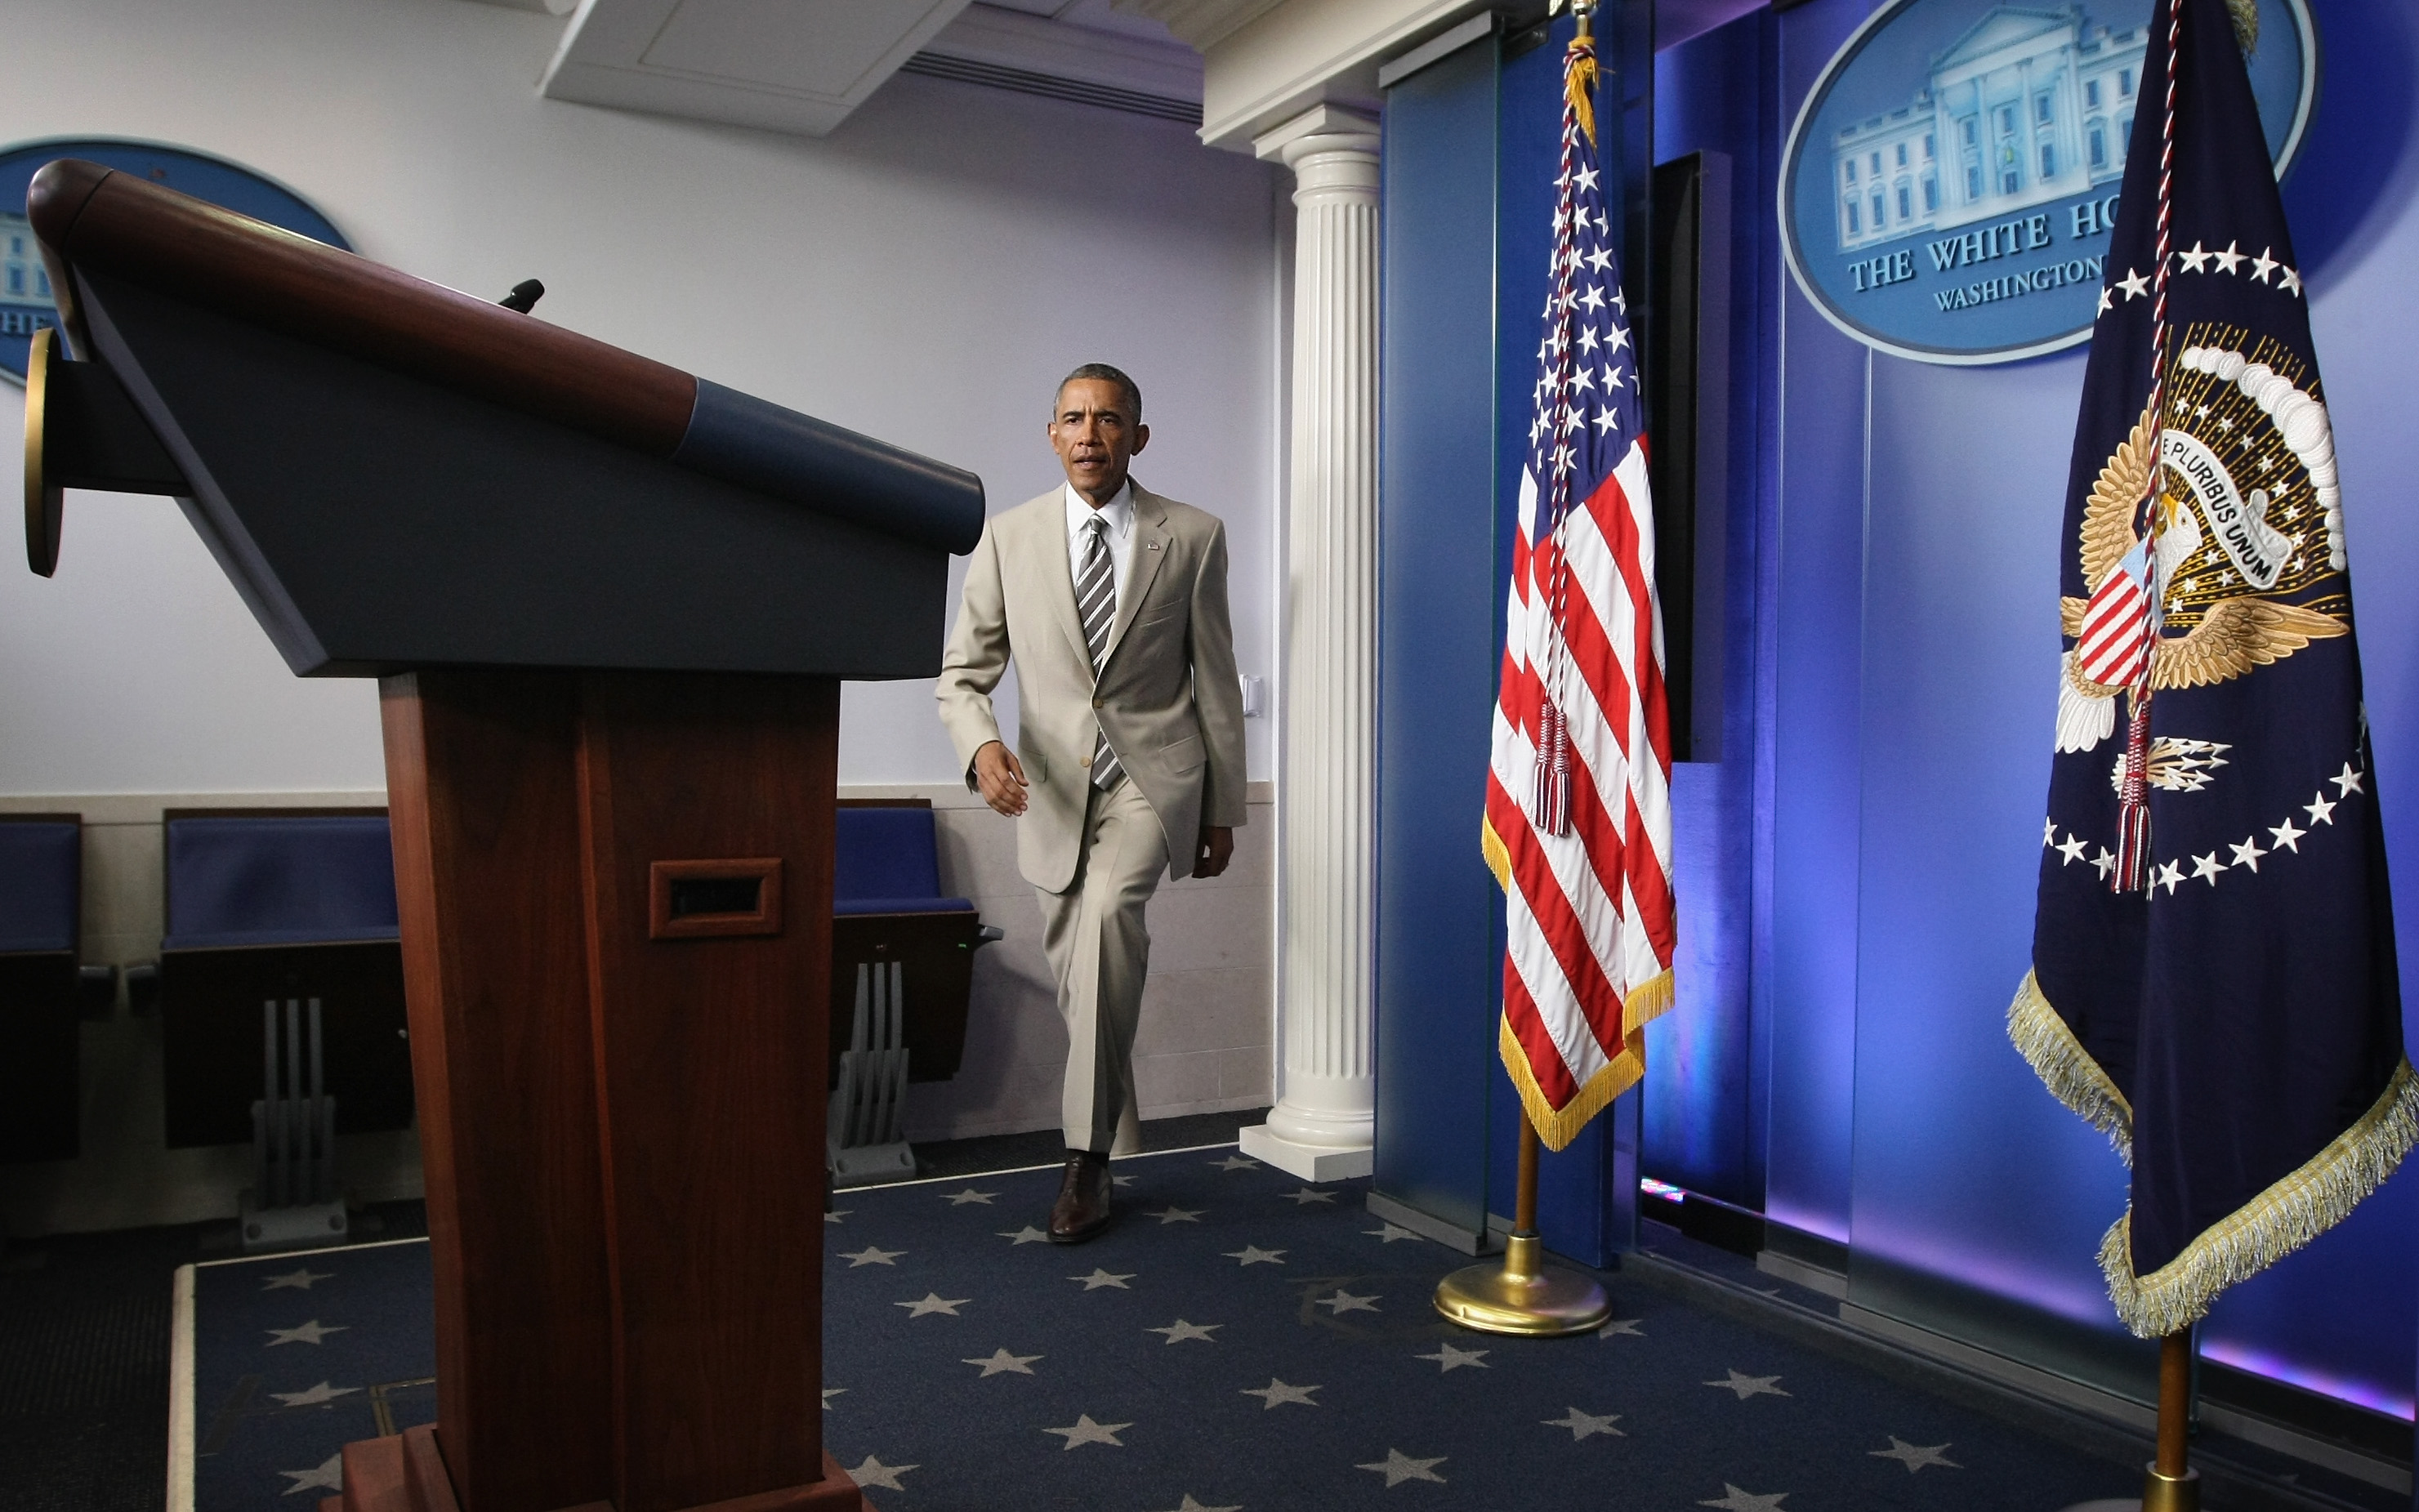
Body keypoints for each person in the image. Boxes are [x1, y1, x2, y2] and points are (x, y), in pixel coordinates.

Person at [936, 363, 1247, 1243]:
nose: (1088, 435)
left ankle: (1087, 1165)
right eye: (1072, 418)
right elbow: (963, 678)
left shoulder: (1191, 535)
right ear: (1051, 434)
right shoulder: (1009, 537)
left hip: (1155, 779)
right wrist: (982, 747)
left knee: (1111, 920)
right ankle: (1113, 1124)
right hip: (1046, 791)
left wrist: (1223, 806)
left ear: (1136, 438)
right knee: (1086, 978)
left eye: (1108, 420)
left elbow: (1215, 681)